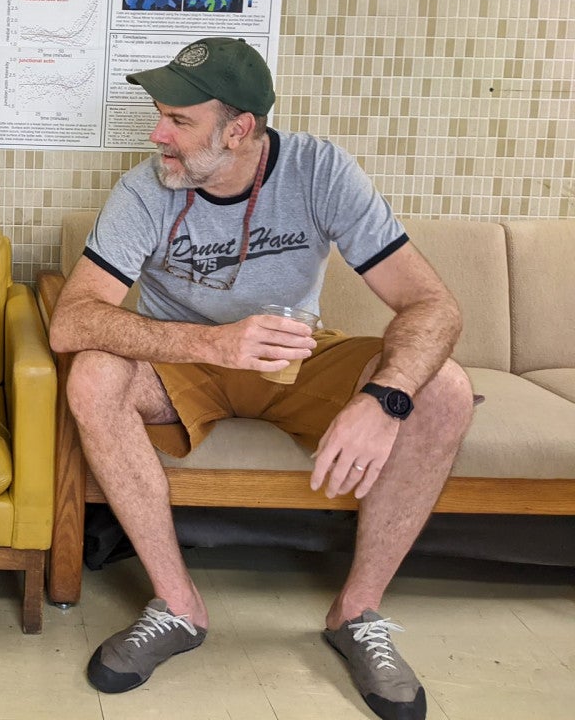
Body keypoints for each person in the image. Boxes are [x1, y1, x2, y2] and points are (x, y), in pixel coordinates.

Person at [48, 37, 474, 720]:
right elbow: (72, 322)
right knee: (92, 377)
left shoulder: (318, 169)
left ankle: (357, 614)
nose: (158, 135)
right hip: (186, 365)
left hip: (295, 356)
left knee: (444, 389)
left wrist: (383, 401)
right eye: (160, 116)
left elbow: (433, 306)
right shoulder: (145, 187)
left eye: (179, 121)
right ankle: (178, 606)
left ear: (239, 129)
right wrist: (212, 342)